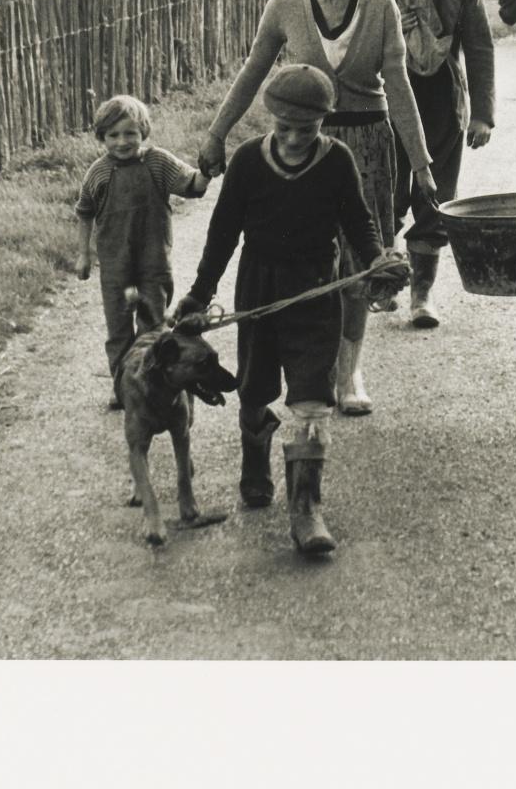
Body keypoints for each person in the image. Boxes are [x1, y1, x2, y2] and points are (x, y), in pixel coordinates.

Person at [196, 0, 435, 419]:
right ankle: (309, 365)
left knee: (356, 262)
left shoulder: (379, 4)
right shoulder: (285, 4)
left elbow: (398, 87)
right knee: (305, 256)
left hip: (367, 144)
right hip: (306, 145)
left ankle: (349, 372)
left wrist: (420, 164)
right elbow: (253, 72)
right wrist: (217, 136)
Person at [174, 65, 407, 556]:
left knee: (312, 396)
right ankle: (255, 461)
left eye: (309, 128)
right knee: (254, 387)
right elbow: (222, 235)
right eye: (285, 128)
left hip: (318, 289)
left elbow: (358, 222)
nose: (297, 138)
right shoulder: (246, 163)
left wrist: (375, 258)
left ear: (325, 121)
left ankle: (306, 507)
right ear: (270, 117)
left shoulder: (338, 160)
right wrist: (199, 293)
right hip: (259, 289)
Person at [358, 0, 496, 329]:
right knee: (386, 194)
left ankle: (422, 296)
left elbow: (478, 45)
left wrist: (482, 113)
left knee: (435, 199)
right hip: (387, 99)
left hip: (441, 100)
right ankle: (380, 282)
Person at [75, 94, 209, 406]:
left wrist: (207, 169)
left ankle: (154, 382)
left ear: (143, 132)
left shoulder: (158, 162)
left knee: (153, 327)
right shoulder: (98, 173)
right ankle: (123, 387)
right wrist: (83, 254)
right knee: (119, 330)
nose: (122, 142)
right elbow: (84, 212)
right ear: (102, 137)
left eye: (130, 133)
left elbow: (194, 185)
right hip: (115, 268)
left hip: (154, 263)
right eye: (113, 135)